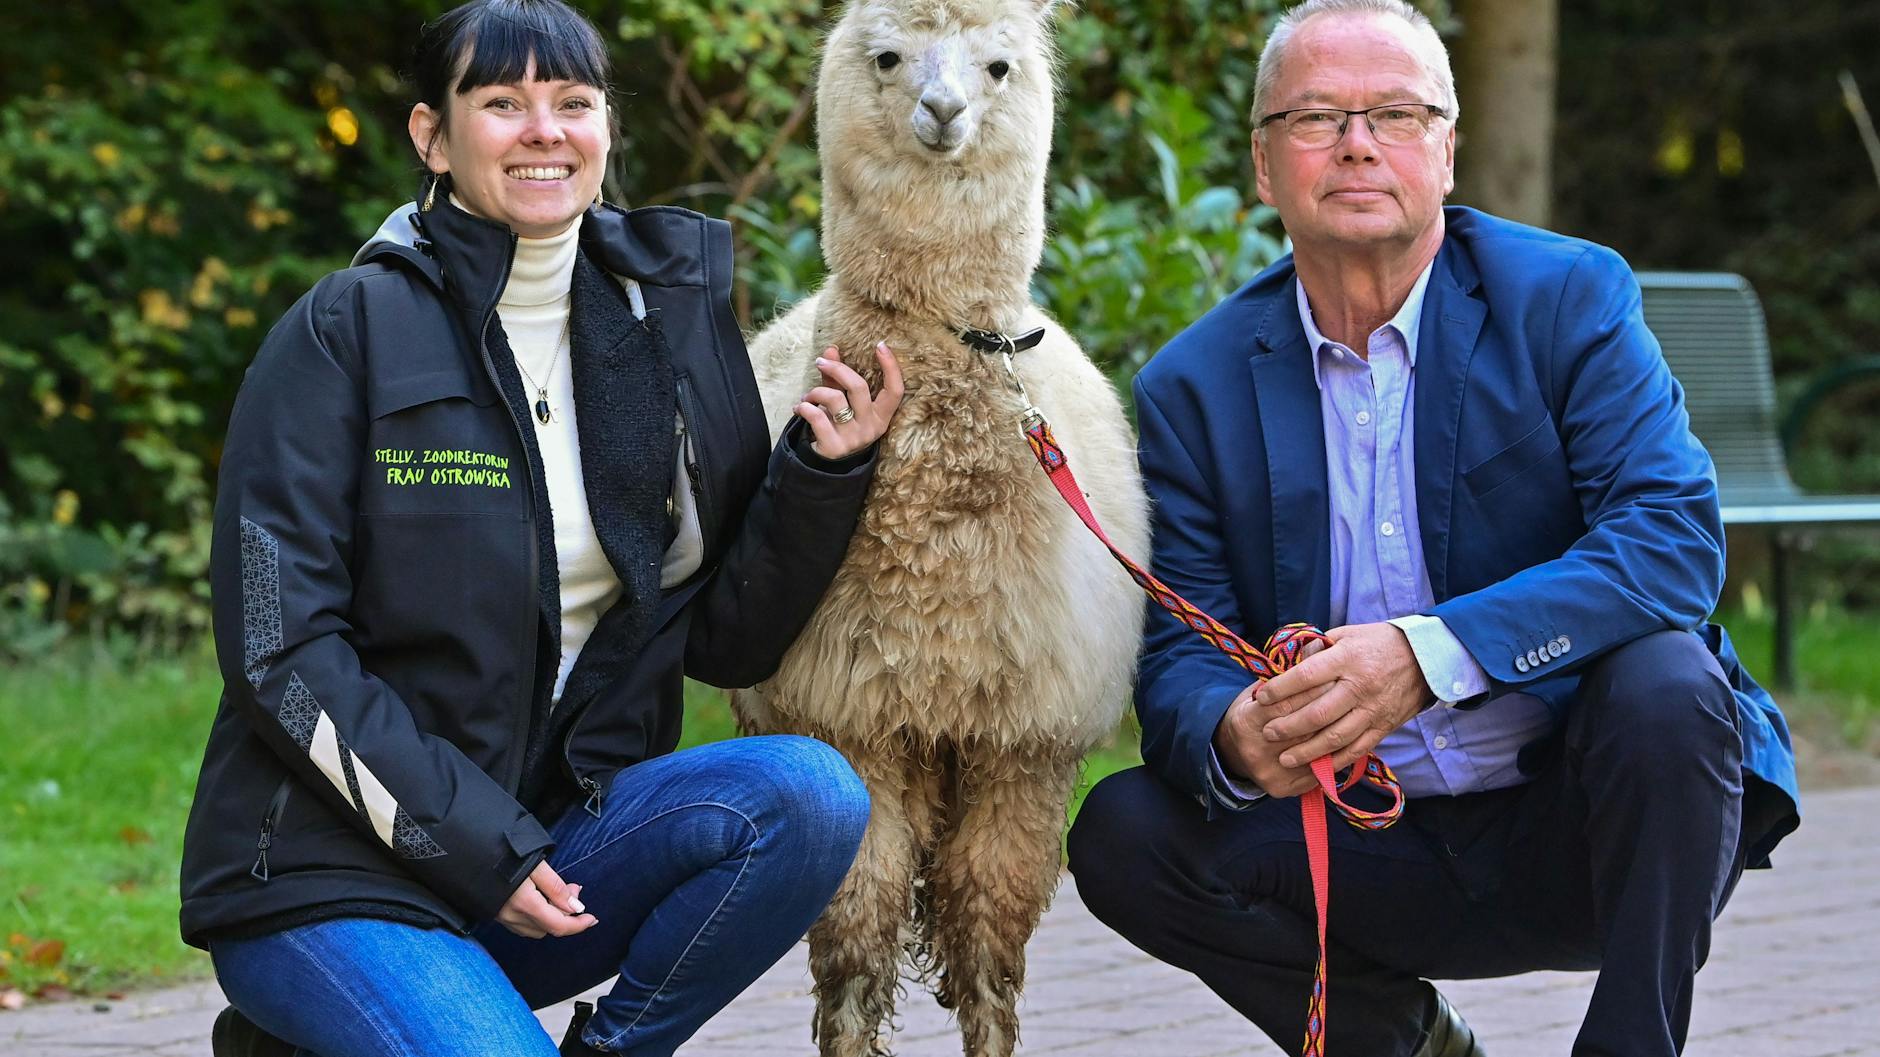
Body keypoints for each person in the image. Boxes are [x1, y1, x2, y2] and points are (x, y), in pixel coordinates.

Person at [1066, 1, 1800, 1054]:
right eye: (1314, 116)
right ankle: (1405, 1041)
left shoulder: (1565, 297)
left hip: (1581, 821)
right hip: (1356, 839)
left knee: (1669, 683)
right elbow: (1182, 647)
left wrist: (1427, 656)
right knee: (1125, 830)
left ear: (1444, 153)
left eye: (1395, 114)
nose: (1357, 142)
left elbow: (1670, 538)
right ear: (1264, 167)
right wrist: (1232, 732)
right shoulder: (1193, 384)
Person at [177, 2, 906, 1054]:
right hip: (331, 874)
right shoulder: (344, 331)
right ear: (432, 135)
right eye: (502, 104)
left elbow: (725, 638)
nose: (544, 131)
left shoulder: (659, 327)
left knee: (805, 794)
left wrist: (821, 477)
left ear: (605, 129)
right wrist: (480, 851)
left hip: (544, 851)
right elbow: (276, 647)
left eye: (572, 103)